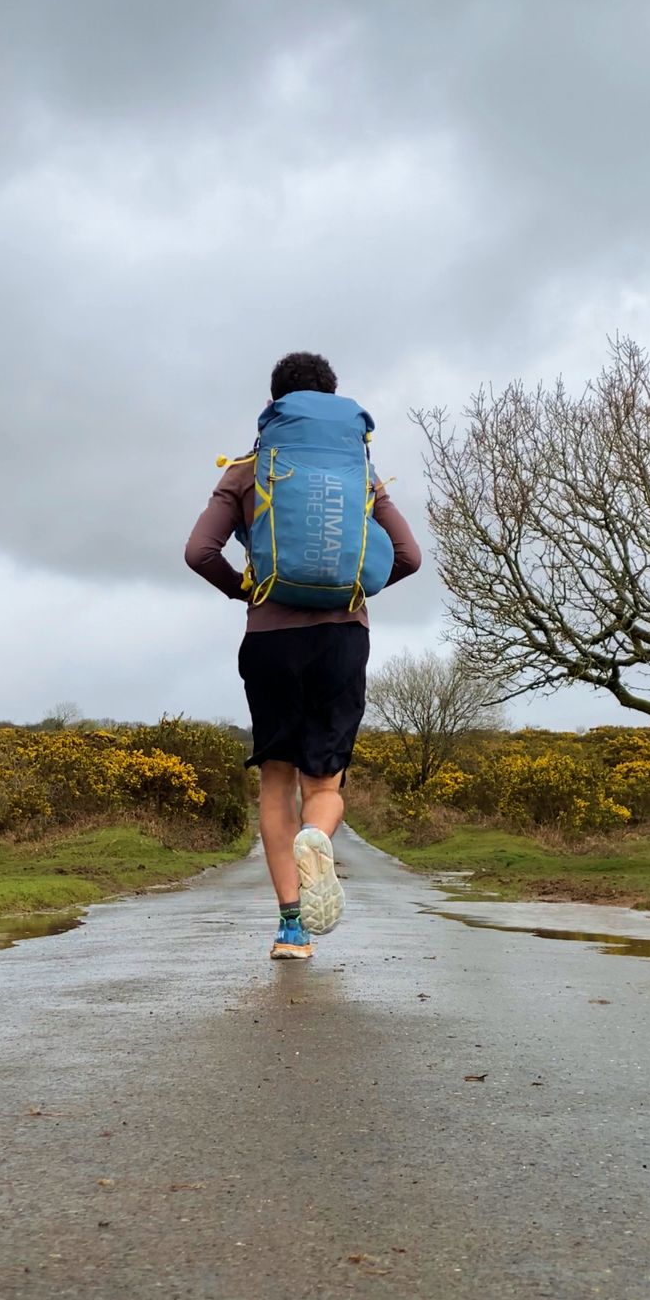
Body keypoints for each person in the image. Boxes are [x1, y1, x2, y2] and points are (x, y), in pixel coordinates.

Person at [185, 351, 421, 961]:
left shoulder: (246, 471)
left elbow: (198, 551)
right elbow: (410, 556)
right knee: (325, 780)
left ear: (274, 406)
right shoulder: (361, 475)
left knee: (276, 782)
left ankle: (291, 930)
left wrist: (248, 588)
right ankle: (320, 834)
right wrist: (357, 593)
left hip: (269, 642)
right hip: (343, 638)